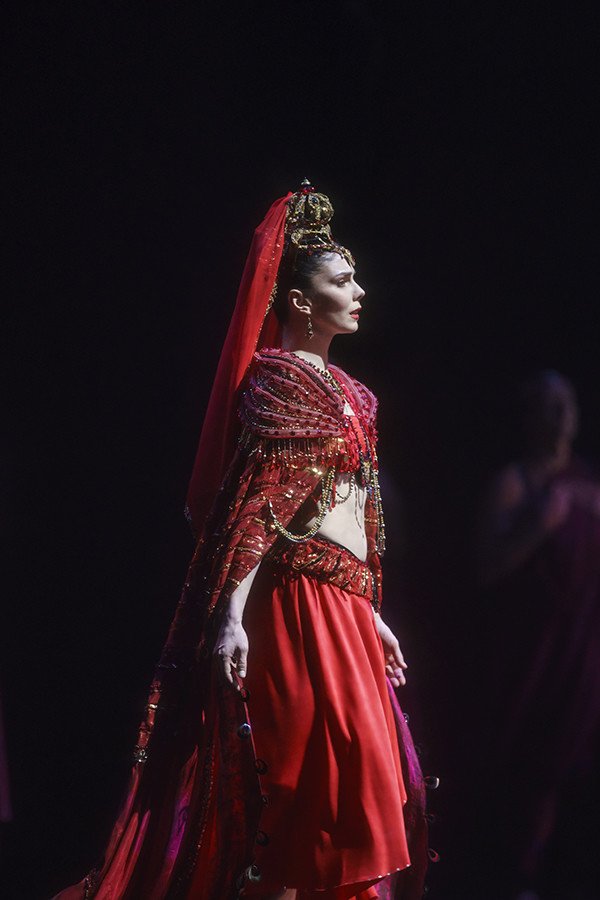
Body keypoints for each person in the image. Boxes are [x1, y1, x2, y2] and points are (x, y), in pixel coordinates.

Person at [54, 182, 429, 900]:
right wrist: (229, 614)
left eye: (355, 276)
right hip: (292, 609)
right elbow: (257, 510)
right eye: (340, 280)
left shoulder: (356, 394)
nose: (359, 290)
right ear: (297, 301)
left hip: (343, 608)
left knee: (357, 801)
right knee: (295, 800)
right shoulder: (277, 382)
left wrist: (370, 611)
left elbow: (343, 509)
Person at [474, 371, 600, 898]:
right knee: (529, 775)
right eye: (549, 406)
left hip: (585, 652)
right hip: (534, 655)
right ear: (530, 418)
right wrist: (538, 527)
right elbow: (485, 568)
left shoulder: (590, 485)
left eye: (566, 404)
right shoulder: (514, 483)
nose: (560, 415)